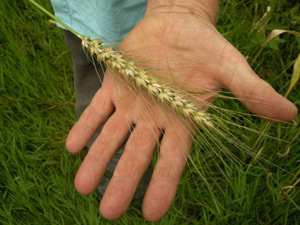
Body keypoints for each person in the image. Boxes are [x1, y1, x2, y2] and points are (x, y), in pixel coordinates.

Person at [51, 0, 297, 222]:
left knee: (122, 126)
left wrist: (181, 7)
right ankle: (114, 178)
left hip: (147, 20)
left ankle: (129, 193)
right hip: (78, 19)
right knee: (95, 95)